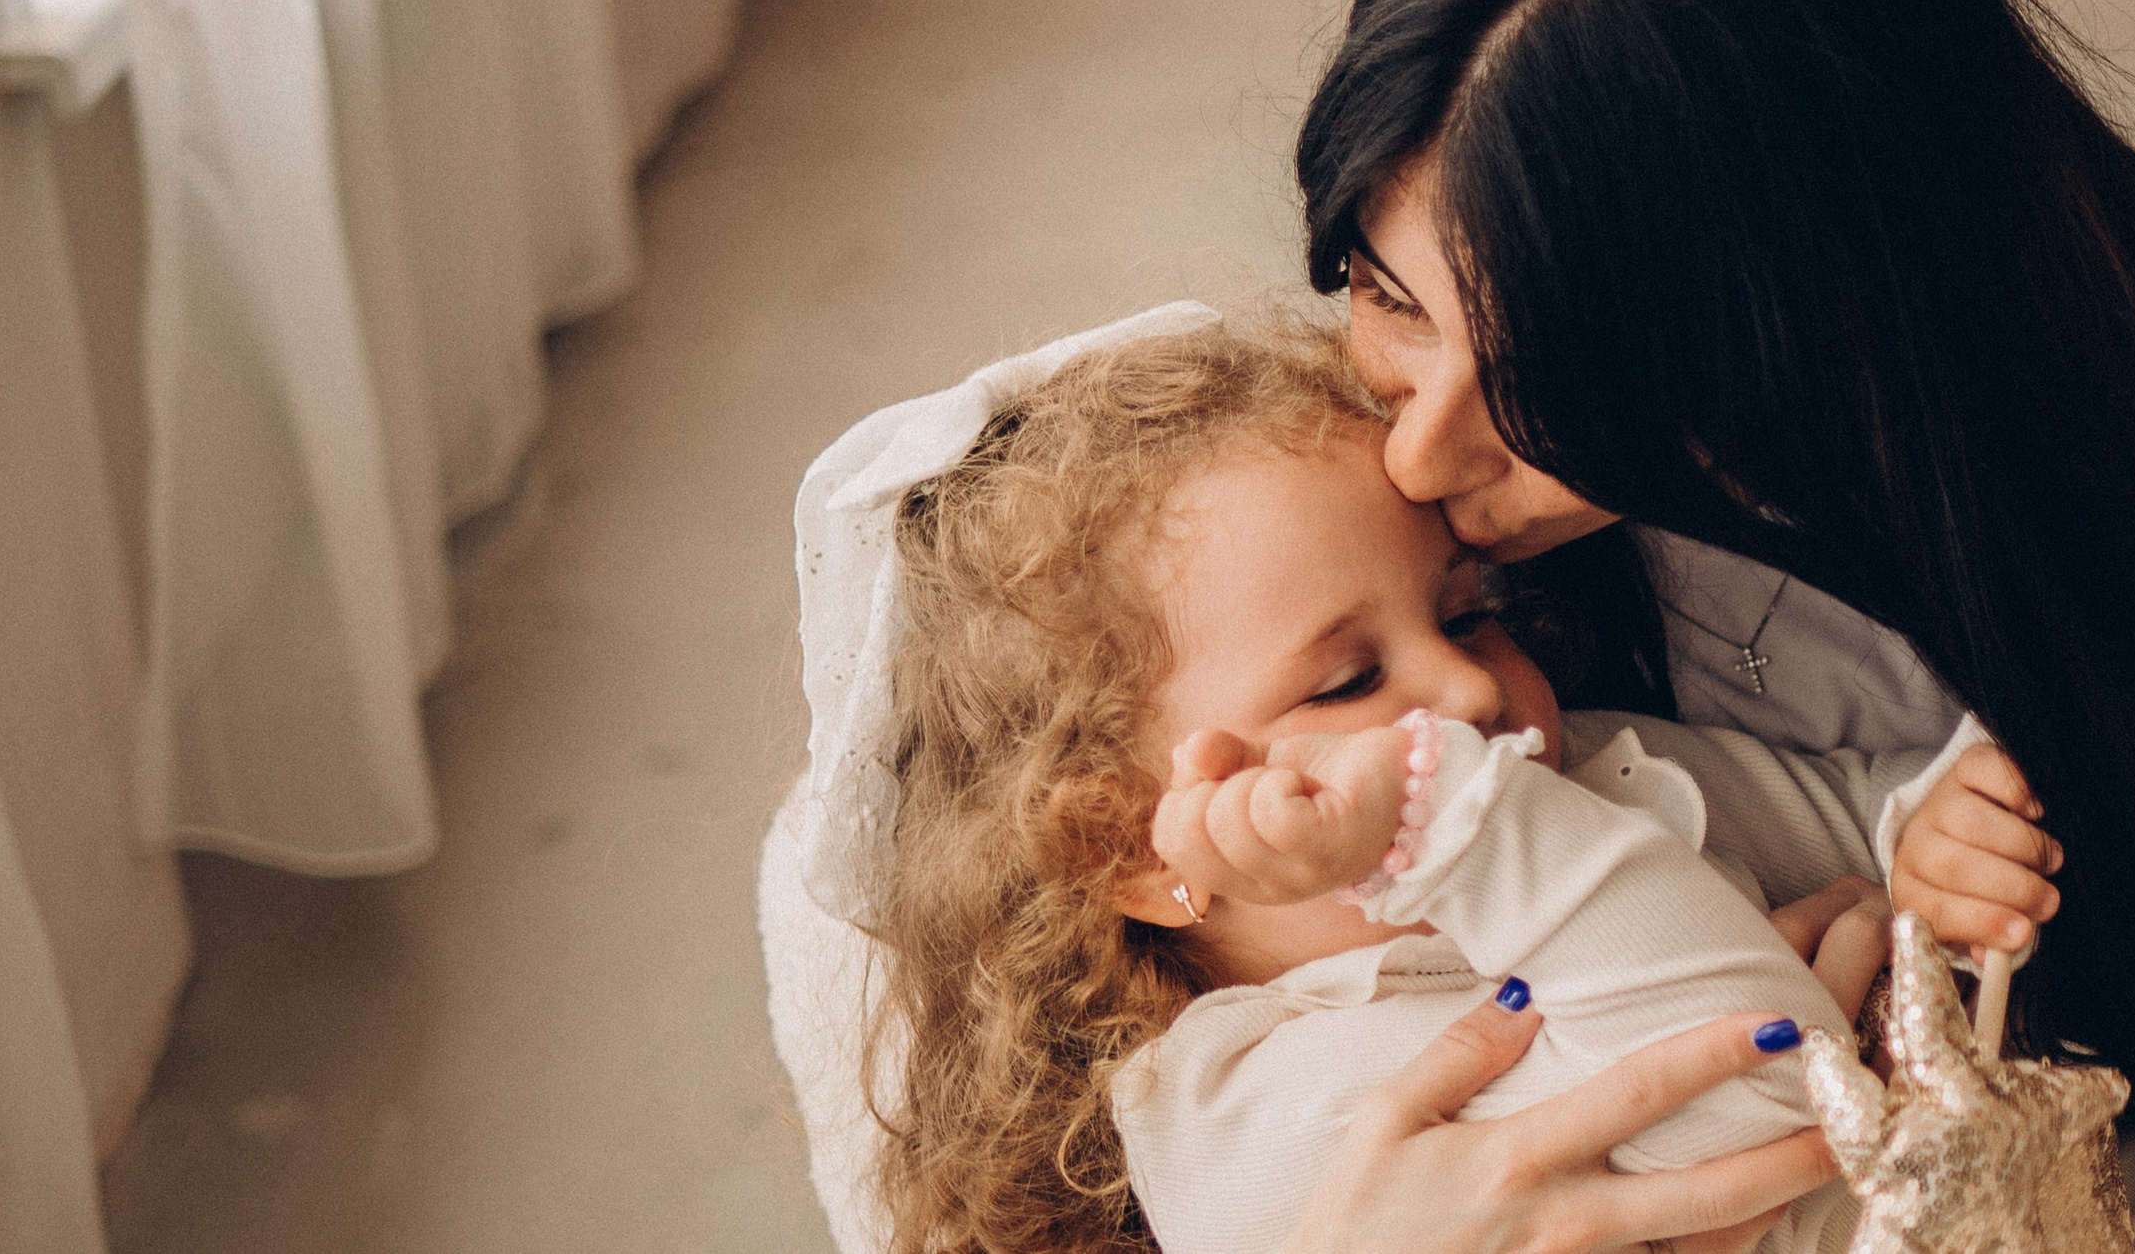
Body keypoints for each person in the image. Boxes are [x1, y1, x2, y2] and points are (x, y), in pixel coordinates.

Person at [1282, 0, 2135, 1250]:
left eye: (1553, 386)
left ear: (1809, 320)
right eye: (1391, 299)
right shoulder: (1360, 456)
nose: (1417, 457)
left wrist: (2019, 973)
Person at [857, 316, 2055, 1254]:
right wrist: (1465, 835)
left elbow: (1854, 807)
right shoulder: (1228, 1107)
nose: (1469, 689)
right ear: (1130, 844)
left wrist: (1926, 832)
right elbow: (1738, 1095)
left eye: (1468, 613)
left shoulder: (1585, 772)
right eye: (1346, 681)